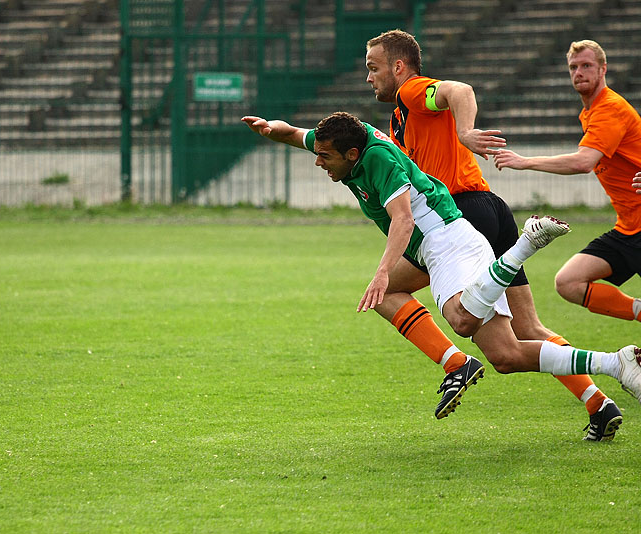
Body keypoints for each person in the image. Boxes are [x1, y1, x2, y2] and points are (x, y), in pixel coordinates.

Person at [241, 111, 641, 430]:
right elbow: (296, 134)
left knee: (460, 319)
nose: (318, 161)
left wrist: (382, 270)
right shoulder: (344, 138)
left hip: (445, 239)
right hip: (442, 242)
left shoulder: (379, 159)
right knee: (506, 355)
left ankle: (523, 247)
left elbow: (403, 220)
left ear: (351, 155)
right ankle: (614, 363)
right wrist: (270, 128)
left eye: (324, 157)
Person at [363, 29, 620, 440]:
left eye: (374, 68)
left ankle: (455, 364)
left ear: (398, 67)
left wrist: (466, 131)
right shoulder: (399, 119)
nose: (369, 77)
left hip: (461, 219)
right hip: (491, 210)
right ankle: (598, 404)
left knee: (389, 292)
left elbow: (459, 90)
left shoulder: (411, 91)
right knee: (528, 330)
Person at [493, 40, 641, 329]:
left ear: (603, 69)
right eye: (573, 67)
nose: (579, 72)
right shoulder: (590, 113)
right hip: (628, 229)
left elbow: (583, 162)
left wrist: (525, 161)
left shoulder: (610, 108)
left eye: (586, 66)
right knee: (569, 282)